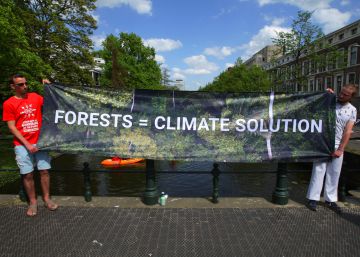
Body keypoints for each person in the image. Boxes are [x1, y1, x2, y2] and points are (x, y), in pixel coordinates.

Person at [2, 74, 58, 217]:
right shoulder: (9, 103)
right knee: (27, 174)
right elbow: (12, 127)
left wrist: (49, 87)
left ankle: (46, 198)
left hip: (40, 142)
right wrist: (27, 144)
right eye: (20, 84)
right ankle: (33, 202)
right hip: (22, 144)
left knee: (44, 171)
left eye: (25, 83)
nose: (25, 86)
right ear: (13, 87)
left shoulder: (35, 97)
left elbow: (54, 103)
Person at [306, 84, 358, 213]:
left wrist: (341, 149)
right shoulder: (329, 101)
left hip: (337, 144)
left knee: (334, 173)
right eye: (341, 92)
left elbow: (347, 131)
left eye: (345, 95)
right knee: (318, 170)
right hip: (323, 142)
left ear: (351, 97)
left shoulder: (352, 110)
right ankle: (313, 198)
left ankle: (330, 199)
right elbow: (313, 107)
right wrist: (323, 94)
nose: (341, 95)